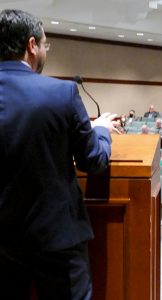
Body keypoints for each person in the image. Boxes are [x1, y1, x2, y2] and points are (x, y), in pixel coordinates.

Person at [0, 9, 119, 300]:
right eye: (44, 44)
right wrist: (100, 130)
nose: (45, 51)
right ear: (31, 45)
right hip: (57, 239)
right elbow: (93, 161)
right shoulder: (61, 93)